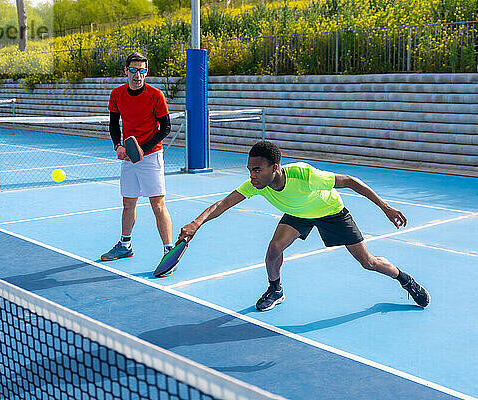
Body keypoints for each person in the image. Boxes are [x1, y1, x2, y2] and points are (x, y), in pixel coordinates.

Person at [178, 141, 430, 311]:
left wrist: (385, 207)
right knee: (273, 250)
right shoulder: (256, 185)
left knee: (368, 262)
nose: (251, 175)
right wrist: (196, 223)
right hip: (298, 214)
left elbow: (351, 181)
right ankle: (275, 290)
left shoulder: (304, 175)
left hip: (331, 211)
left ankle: (405, 280)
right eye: (249, 170)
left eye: (256, 170)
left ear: (274, 168)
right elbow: (223, 204)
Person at [101, 52, 174, 261]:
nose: (137, 75)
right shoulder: (117, 94)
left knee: (158, 204)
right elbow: (114, 123)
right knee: (128, 203)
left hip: (150, 156)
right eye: (133, 70)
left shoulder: (156, 95)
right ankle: (125, 245)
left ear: (146, 72)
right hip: (128, 157)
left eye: (142, 71)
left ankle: (168, 252)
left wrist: (143, 148)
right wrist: (118, 146)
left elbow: (166, 128)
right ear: (126, 71)